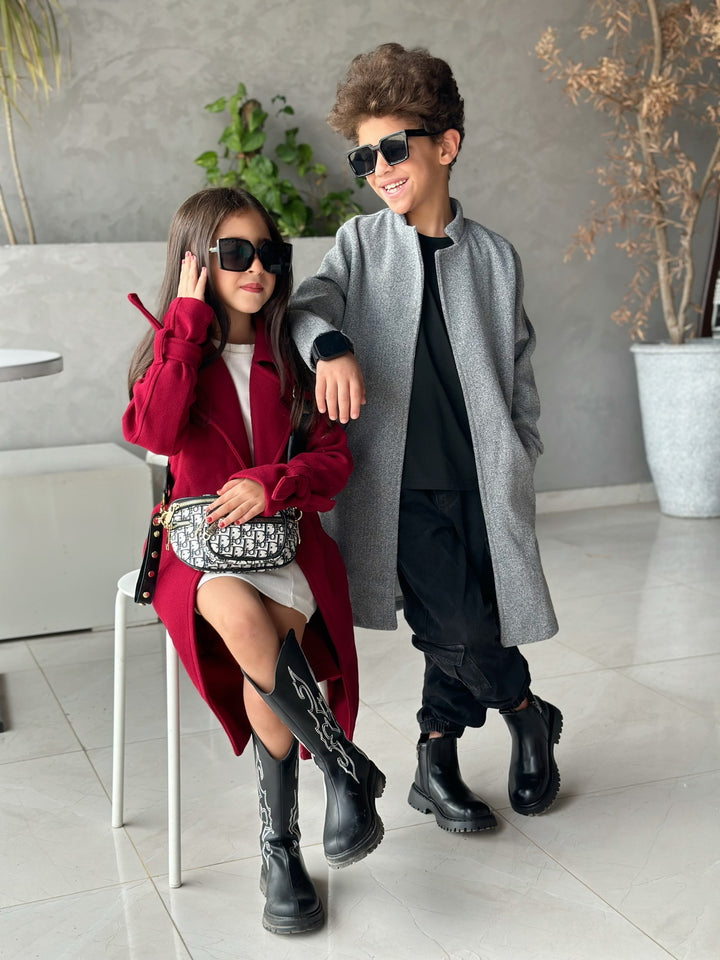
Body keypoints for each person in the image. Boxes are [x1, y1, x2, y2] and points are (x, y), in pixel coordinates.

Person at [290, 43, 562, 834]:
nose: (378, 168)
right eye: (363, 156)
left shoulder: (495, 258)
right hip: (397, 485)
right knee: (459, 626)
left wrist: (521, 453)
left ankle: (435, 759)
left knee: (460, 620)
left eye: (393, 148)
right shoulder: (360, 244)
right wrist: (329, 346)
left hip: (484, 481)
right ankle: (527, 712)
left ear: (445, 145)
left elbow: (518, 372)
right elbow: (305, 309)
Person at [122, 187, 385, 935]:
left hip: (285, 541)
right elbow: (154, 432)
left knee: (265, 644)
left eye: (269, 253)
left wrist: (272, 483)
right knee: (238, 614)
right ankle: (338, 772)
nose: (256, 268)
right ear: (195, 262)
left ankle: (282, 848)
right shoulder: (173, 352)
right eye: (235, 253)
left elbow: (334, 461)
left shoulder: (295, 358)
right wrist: (184, 323)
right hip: (197, 555)